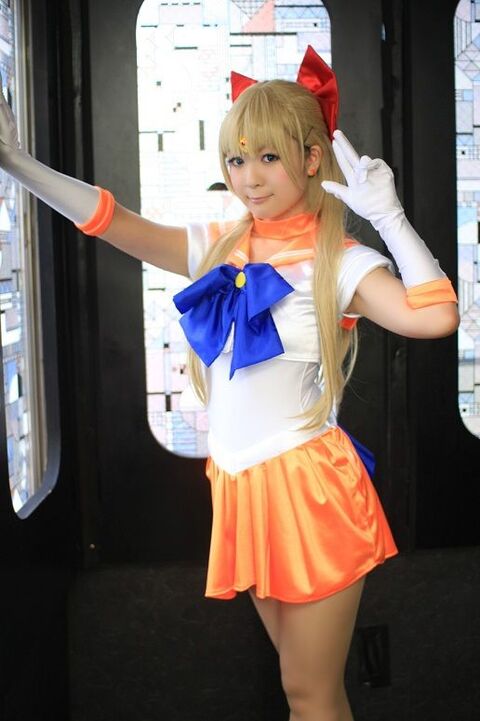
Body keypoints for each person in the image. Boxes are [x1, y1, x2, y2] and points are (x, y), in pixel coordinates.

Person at [0, 46, 459, 721]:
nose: (249, 177)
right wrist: (16, 163)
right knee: (301, 688)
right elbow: (112, 221)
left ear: (311, 158)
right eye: (238, 160)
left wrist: (387, 216)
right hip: (243, 486)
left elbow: (436, 317)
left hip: (310, 490)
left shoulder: (342, 259)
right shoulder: (220, 244)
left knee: (310, 693)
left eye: (269, 156)